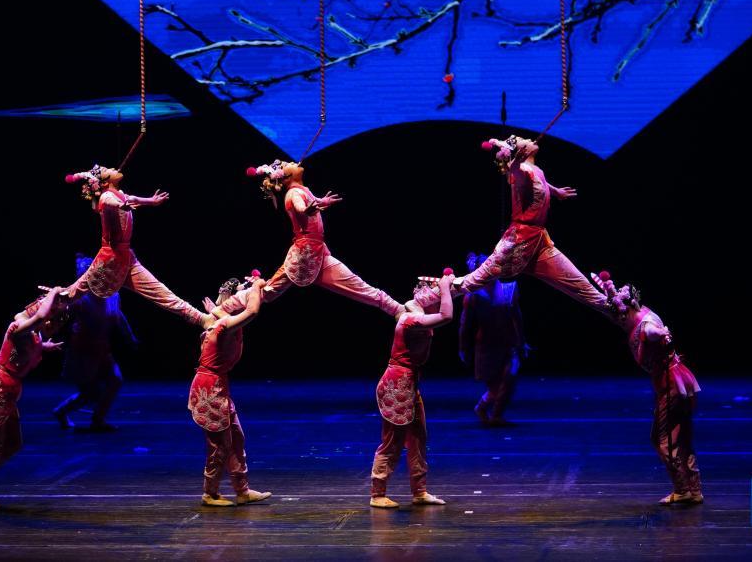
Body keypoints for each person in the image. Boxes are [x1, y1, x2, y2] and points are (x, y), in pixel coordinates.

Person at [411, 137, 607, 315]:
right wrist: (515, 163)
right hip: (517, 243)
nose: (530, 139)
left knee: (578, 284)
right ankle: (424, 299)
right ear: (518, 151)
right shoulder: (520, 172)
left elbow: (541, 182)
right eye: (523, 140)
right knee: (473, 281)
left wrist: (556, 192)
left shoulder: (535, 170)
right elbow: (515, 172)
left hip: (539, 241)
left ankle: (615, 310)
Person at [211, 160, 405, 320]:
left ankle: (397, 309)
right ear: (286, 177)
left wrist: (321, 202)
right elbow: (300, 206)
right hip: (304, 255)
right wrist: (306, 210)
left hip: (316, 251)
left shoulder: (300, 189)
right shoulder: (293, 193)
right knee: (267, 291)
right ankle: (223, 308)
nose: (293, 162)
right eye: (288, 164)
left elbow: (310, 202)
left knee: (356, 285)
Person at [591, 271, 703, 505]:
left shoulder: (645, 326)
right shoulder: (643, 314)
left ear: (628, 309)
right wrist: (607, 289)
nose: (619, 318)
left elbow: (652, 332)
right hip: (678, 379)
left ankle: (683, 489)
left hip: (670, 384)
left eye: (620, 314)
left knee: (662, 438)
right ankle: (693, 489)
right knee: (681, 435)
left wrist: (661, 333)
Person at [64, 164, 213, 328]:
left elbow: (133, 199)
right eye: (108, 170)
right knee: (72, 293)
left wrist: (151, 201)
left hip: (126, 258)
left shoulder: (120, 194)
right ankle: (43, 308)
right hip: (108, 260)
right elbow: (109, 202)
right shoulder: (107, 197)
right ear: (105, 183)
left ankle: (202, 319)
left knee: (159, 291)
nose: (114, 168)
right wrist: (122, 205)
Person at [0, 287, 70, 508]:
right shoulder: (18, 328)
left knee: (13, 443)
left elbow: (32, 341)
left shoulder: (33, 336)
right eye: (54, 321)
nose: (54, 327)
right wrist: (54, 293)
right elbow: (37, 319)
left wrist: (45, 347)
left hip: (8, 392)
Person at [370, 271, 456, 508]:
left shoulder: (417, 315)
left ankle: (420, 491)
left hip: (409, 384)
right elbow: (447, 316)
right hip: (396, 386)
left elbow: (441, 311)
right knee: (393, 440)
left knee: (418, 437)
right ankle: (377, 494)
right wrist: (445, 286)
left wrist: (447, 287)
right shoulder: (409, 319)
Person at [189, 274, 272, 506]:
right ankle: (210, 493)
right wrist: (257, 285)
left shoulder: (220, 319)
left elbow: (224, 308)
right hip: (209, 388)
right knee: (220, 444)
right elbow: (252, 311)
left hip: (218, 385)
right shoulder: (224, 324)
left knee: (236, 438)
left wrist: (224, 302)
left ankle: (242, 490)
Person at [53, 254, 138, 432]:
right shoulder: (81, 298)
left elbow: (118, 315)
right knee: (90, 394)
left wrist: (129, 335)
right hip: (83, 351)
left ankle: (98, 419)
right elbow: (60, 317)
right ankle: (61, 411)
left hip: (102, 349)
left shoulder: (113, 295)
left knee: (115, 380)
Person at [459, 252, 526, 426]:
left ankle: (494, 413)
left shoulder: (509, 288)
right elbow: (465, 324)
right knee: (495, 386)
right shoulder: (473, 295)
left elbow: (517, 316)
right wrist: (463, 347)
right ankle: (486, 410)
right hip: (487, 345)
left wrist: (521, 341)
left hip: (509, 342)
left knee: (510, 377)